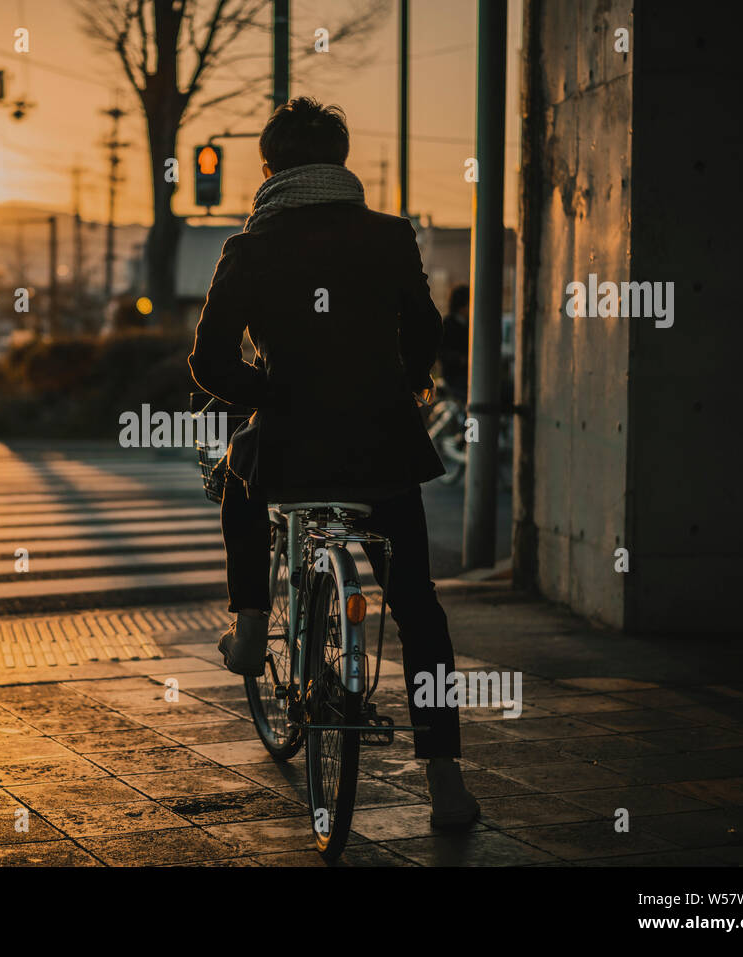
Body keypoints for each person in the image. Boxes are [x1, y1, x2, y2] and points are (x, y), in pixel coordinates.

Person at [187, 96, 478, 829]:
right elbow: (425, 328)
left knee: (240, 475)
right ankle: (444, 779)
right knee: (419, 609)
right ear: (341, 162)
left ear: (270, 166)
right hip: (383, 448)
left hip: (289, 443)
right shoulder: (388, 236)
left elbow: (208, 361)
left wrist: (269, 393)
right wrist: (405, 382)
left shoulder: (251, 246)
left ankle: (251, 622)